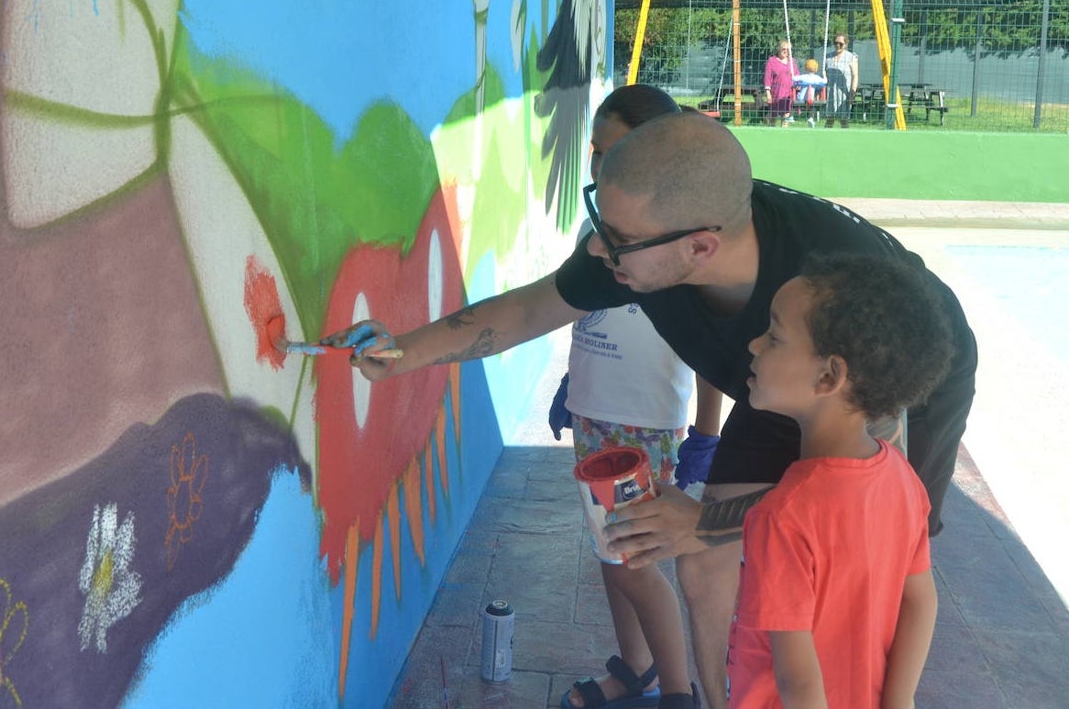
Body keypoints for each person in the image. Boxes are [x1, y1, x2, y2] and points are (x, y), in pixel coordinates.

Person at [322, 111, 977, 709]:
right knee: (698, 554)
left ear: (700, 248)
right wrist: (401, 353)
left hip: (903, 377)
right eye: (601, 222)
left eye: (619, 239)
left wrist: (713, 519)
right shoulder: (646, 247)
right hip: (776, 382)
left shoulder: (826, 310)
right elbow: (527, 309)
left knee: (868, 565)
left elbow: (854, 499)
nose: (600, 251)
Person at [551, 85, 719, 709]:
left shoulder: (677, 241)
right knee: (608, 550)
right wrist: (575, 386)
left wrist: (706, 430)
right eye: (594, 152)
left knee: (636, 563)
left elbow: (708, 348)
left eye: (613, 153)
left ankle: (678, 692)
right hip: (596, 416)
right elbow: (583, 311)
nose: (600, 168)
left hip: (643, 429)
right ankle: (636, 668)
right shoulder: (594, 231)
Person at [728, 252, 951, 707]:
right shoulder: (902, 480)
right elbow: (921, 602)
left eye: (773, 337)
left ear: (829, 376)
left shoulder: (783, 517)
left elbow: (799, 684)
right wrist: (899, 701)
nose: (754, 345)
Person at [824, 33, 859, 128]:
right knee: (829, 119)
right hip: (831, 92)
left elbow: (855, 76)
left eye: (841, 43)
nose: (838, 45)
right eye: (836, 43)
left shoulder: (851, 57)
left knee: (844, 120)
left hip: (844, 93)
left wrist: (852, 92)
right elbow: (824, 75)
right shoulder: (828, 57)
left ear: (846, 44)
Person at [761, 41, 797, 127]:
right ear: (779, 49)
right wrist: (768, 93)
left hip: (788, 93)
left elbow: (797, 75)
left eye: (788, 50)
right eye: (784, 49)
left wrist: (798, 84)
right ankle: (772, 131)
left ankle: (784, 134)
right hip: (776, 93)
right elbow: (767, 78)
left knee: (786, 115)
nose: (786, 51)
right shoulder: (772, 61)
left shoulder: (792, 62)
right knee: (773, 116)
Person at [791, 58, 827, 127]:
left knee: (795, 104)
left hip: (801, 98)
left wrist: (792, 74)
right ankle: (811, 118)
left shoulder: (804, 76)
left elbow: (793, 78)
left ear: (805, 68)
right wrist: (824, 74)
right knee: (813, 107)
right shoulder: (817, 78)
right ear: (816, 69)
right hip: (810, 99)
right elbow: (825, 81)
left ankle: (791, 116)